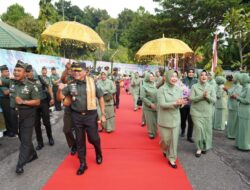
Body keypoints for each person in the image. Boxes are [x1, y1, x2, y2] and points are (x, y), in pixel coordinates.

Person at [58, 62, 106, 175]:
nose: (76, 72)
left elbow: (100, 98)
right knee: (80, 141)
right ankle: (83, 163)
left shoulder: (92, 82)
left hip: (91, 115)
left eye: (79, 70)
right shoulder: (70, 84)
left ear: (85, 72)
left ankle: (98, 153)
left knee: (93, 138)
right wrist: (60, 89)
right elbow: (60, 97)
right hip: (77, 116)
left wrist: (103, 114)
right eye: (74, 70)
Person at [0, 60, 40, 174]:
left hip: (27, 114)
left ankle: (20, 164)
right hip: (15, 114)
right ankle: (33, 154)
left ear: (25, 73)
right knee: (22, 137)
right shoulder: (11, 82)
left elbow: (37, 102)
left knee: (25, 140)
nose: (16, 72)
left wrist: (23, 101)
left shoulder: (32, 86)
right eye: (15, 70)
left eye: (19, 70)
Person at [157, 70, 187, 169]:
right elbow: (162, 104)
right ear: (168, 77)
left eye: (176, 76)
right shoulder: (161, 89)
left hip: (175, 118)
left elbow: (181, 102)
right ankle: (164, 149)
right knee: (165, 140)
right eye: (172, 76)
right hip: (164, 118)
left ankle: (172, 158)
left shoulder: (179, 89)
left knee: (174, 140)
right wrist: (175, 103)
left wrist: (182, 103)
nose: (174, 78)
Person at [27, 66, 54, 150]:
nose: (30, 74)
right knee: (36, 124)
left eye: (31, 71)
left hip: (43, 102)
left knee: (46, 122)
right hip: (33, 104)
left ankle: (50, 138)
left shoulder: (39, 77)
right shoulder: (25, 81)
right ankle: (40, 142)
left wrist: (52, 98)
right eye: (28, 72)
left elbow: (48, 86)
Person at [190, 70, 216, 157]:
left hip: (207, 112)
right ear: (199, 76)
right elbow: (192, 98)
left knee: (206, 130)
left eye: (206, 75)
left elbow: (214, 100)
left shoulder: (211, 87)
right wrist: (202, 96)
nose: (204, 76)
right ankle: (199, 148)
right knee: (199, 129)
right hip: (196, 112)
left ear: (208, 77)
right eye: (202, 75)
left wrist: (207, 96)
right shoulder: (194, 86)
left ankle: (205, 146)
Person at [58, 62, 77, 155]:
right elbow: (62, 80)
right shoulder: (67, 77)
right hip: (68, 106)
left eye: (72, 70)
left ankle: (80, 146)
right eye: (69, 70)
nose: (71, 71)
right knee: (67, 129)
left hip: (78, 106)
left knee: (79, 129)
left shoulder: (81, 78)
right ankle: (73, 144)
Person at [180, 68, 197, 142]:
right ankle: (183, 130)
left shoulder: (196, 81)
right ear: (187, 73)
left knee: (191, 121)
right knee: (182, 119)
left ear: (194, 73)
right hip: (184, 103)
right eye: (189, 72)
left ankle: (189, 136)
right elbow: (179, 90)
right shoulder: (183, 80)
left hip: (192, 104)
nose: (190, 73)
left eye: (192, 72)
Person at [235, 73, 250, 150]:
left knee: (245, 130)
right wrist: (239, 97)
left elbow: (247, 101)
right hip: (242, 110)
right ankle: (240, 144)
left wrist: (238, 98)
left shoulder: (248, 88)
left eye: (241, 79)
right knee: (241, 129)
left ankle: (245, 146)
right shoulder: (244, 87)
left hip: (246, 111)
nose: (239, 81)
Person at [141, 72, 158, 139]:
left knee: (155, 121)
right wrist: (150, 104)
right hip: (148, 106)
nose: (152, 77)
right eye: (150, 76)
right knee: (150, 121)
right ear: (147, 77)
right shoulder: (144, 86)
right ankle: (151, 133)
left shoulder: (155, 85)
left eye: (153, 76)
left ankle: (155, 131)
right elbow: (142, 97)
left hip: (156, 106)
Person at [0, 65, 15, 137]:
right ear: (2, 73)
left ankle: (12, 130)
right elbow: (6, 92)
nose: (8, 72)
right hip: (4, 99)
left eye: (8, 71)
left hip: (9, 98)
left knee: (11, 115)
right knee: (8, 115)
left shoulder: (8, 79)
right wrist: (13, 87)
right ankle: (10, 131)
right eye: (6, 71)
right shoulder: (1, 80)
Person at [227, 73, 242, 139]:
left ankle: (233, 134)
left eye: (234, 78)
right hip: (231, 105)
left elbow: (234, 95)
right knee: (231, 121)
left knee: (234, 121)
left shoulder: (239, 87)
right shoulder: (234, 85)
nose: (232, 79)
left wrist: (228, 91)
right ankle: (230, 134)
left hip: (235, 105)